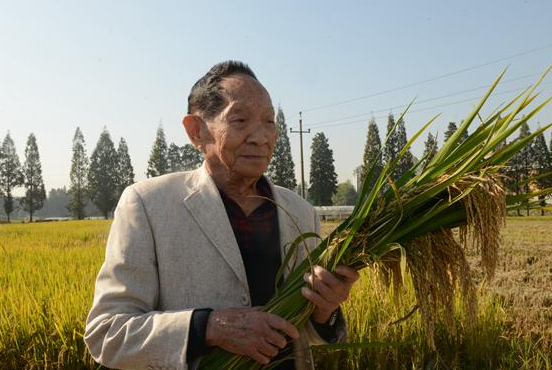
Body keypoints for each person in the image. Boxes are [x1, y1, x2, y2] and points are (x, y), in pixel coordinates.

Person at [84, 61, 359, 370]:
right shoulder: (149, 205)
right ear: (196, 131)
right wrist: (209, 327)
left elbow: (304, 333)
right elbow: (107, 333)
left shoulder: (300, 212)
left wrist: (326, 311)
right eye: (240, 120)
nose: (260, 137)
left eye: (269, 122)